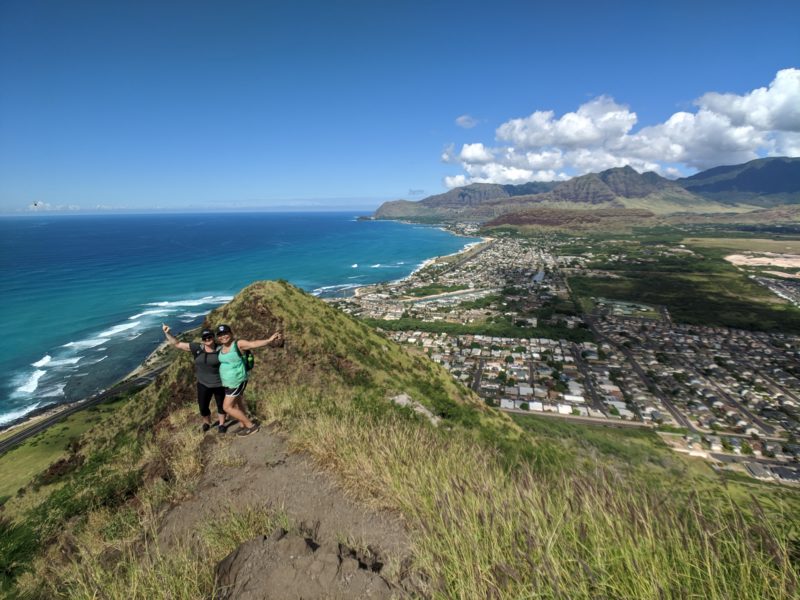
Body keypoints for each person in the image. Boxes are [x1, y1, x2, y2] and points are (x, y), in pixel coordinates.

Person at [215, 323, 283, 437]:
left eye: (225, 333)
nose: (223, 336)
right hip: (228, 382)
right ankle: (243, 425)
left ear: (231, 334)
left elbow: (253, 344)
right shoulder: (221, 348)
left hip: (237, 381)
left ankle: (251, 426)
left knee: (226, 407)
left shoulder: (238, 344)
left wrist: (269, 340)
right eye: (220, 335)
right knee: (237, 403)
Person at [162, 324, 228, 433]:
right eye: (205, 338)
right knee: (203, 406)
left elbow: (235, 351)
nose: (208, 339)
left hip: (219, 383)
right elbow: (177, 344)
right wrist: (167, 333)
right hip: (203, 384)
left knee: (221, 405)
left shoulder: (221, 349)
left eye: (210, 337)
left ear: (213, 337)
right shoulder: (197, 348)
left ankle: (222, 424)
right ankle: (207, 422)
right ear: (202, 340)